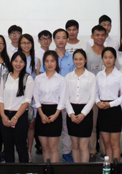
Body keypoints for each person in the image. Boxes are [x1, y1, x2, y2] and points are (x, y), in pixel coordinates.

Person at [0, 51, 35, 163]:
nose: (18, 64)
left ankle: (23, 170)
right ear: (11, 62)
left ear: (25, 64)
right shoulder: (4, 77)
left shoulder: (28, 78)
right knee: (7, 147)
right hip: (5, 115)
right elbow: (0, 98)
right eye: (16, 61)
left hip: (20, 116)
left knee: (21, 147)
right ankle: (10, 170)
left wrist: (15, 117)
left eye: (21, 61)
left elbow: (27, 101)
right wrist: (3, 115)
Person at [33, 50, 66, 163]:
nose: (49, 64)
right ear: (43, 63)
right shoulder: (38, 79)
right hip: (42, 112)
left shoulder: (61, 79)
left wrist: (56, 115)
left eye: (52, 61)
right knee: (44, 147)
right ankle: (47, 169)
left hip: (55, 112)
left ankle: (54, 169)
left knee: (53, 147)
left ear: (56, 62)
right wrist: (41, 114)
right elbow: (36, 97)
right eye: (47, 61)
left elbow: (62, 100)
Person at [95, 47, 122, 162]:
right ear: (102, 59)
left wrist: (111, 104)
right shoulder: (99, 75)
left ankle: (116, 167)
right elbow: (95, 93)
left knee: (114, 144)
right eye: (105, 57)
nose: (108, 60)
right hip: (102, 110)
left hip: (114, 110)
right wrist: (98, 102)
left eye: (110, 57)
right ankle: (108, 166)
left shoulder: (119, 75)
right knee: (106, 143)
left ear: (115, 59)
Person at [65, 49, 96, 163]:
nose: (78, 62)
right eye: (76, 59)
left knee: (83, 146)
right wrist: (71, 114)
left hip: (86, 112)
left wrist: (83, 114)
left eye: (81, 59)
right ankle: (76, 169)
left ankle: (84, 169)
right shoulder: (68, 77)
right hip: (72, 112)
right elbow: (65, 97)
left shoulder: (91, 76)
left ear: (85, 60)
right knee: (75, 146)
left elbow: (92, 98)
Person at [52, 28, 76, 162]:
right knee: (54, 128)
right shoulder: (49, 58)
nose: (61, 40)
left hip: (67, 99)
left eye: (63, 37)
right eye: (58, 37)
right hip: (52, 99)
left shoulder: (72, 58)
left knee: (66, 127)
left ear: (67, 40)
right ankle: (53, 151)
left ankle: (67, 151)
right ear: (54, 40)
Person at [86, 25, 107, 160]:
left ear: (106, 36)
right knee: (92, 124)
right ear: (92, 36)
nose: (100, 37)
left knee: (104, 125)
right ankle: (92, 150)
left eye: (102, 35)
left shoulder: (109, 52)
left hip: (106, 95)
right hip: (91, 95)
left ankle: (105, 150)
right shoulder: (87, 53)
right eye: (97, 35)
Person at [19, 33, 40, 160]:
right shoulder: (16, 58)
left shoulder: (36, 60)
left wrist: (32, 94)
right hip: (18, 97)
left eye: (28, 43)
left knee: (31, 125)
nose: (26, 45)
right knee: (20, 125)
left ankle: (29, 151)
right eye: (23, 43)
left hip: (32, 97)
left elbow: (37, 79)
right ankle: (21, 150)